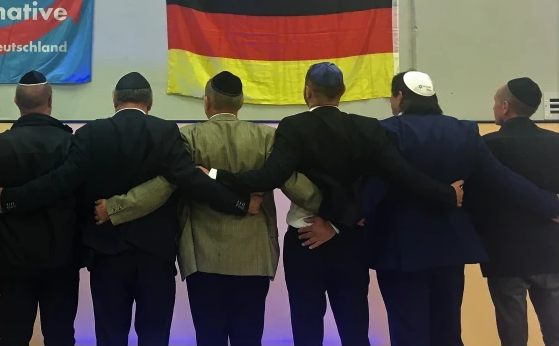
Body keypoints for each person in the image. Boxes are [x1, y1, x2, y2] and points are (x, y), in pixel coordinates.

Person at [0, 72, 260, 346]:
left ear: (114, 100)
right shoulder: (166, 132)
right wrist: (239, 203)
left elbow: (60, 181)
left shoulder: (91, 133)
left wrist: (14, 198)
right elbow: (192, 180)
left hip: (106, 254)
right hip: (155, 256)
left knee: (110, 336)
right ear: (151, 102)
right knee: (154, 336)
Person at [213, 63, 463, 346]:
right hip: (351, 242)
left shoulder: (294, 126)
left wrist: (216, 175)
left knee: (307, 331)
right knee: (355, 329)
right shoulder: (366, 127)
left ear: (307, 91)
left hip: (304, 241)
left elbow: (271, 176)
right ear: (342, 92)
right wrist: (444, 192)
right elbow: (398, 174)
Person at [94, 71, 322, 346]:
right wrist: (341, 213)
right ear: (240, 104)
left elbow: (164, 186)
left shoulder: (189, 137)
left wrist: (117, 207)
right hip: (255, 257)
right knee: (248, 339)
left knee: (209, 338)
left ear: (206, 102)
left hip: (203, 256)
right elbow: (294, 183)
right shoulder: (265, 138)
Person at [361, 72, 559, 346]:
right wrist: (551, 204)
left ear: (400, 97)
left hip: (400, 249)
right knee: (448, 329)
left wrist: (344, 219)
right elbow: (501, 178)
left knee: (408, 330)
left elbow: (374, 185)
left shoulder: (386, 131)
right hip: (451, 248)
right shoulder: (463, 130)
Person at [0, 71, 80, 346]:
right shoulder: (71, 146)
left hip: (11, 261)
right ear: (50, 101)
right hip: (62, 259)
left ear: (16, 101)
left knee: (12, 336)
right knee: (60, 336)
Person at [472, 77, 559, 346]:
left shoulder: (488, 146)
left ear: (506, 107)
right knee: (555, 330)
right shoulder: (556, 143)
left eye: (496, 103)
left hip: (504, 254)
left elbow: (476, 200)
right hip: (550, 251)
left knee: (513, 335)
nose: (495, 108)